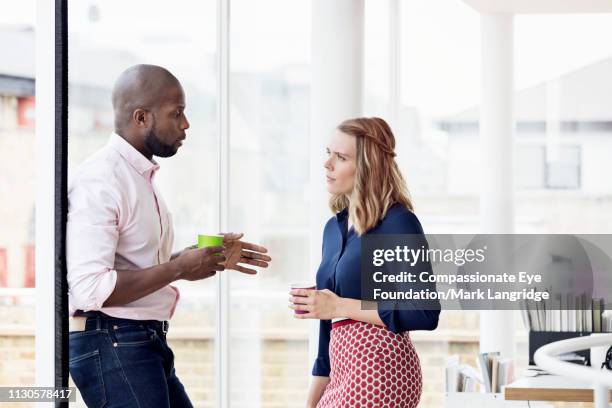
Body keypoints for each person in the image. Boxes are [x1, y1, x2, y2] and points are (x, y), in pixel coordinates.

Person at [67, 64, 271, 408]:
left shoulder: (138, 178)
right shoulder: (102, 180)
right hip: (113, 340)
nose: (186, 124)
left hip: (137, 339)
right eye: (177, 114)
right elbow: (89, 289)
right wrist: (179, 269)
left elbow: (138, 266)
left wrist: (194, 258)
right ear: (141, 117)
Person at [289, 117, 440, 408]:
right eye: (328, 153)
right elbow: (325, 340)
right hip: (341, 369)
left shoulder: (398, 223)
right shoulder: (333, 229)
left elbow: (424, 312)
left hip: (381, 370)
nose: (327, 164)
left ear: (368, 167)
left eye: (341, 157)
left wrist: (341, 306)